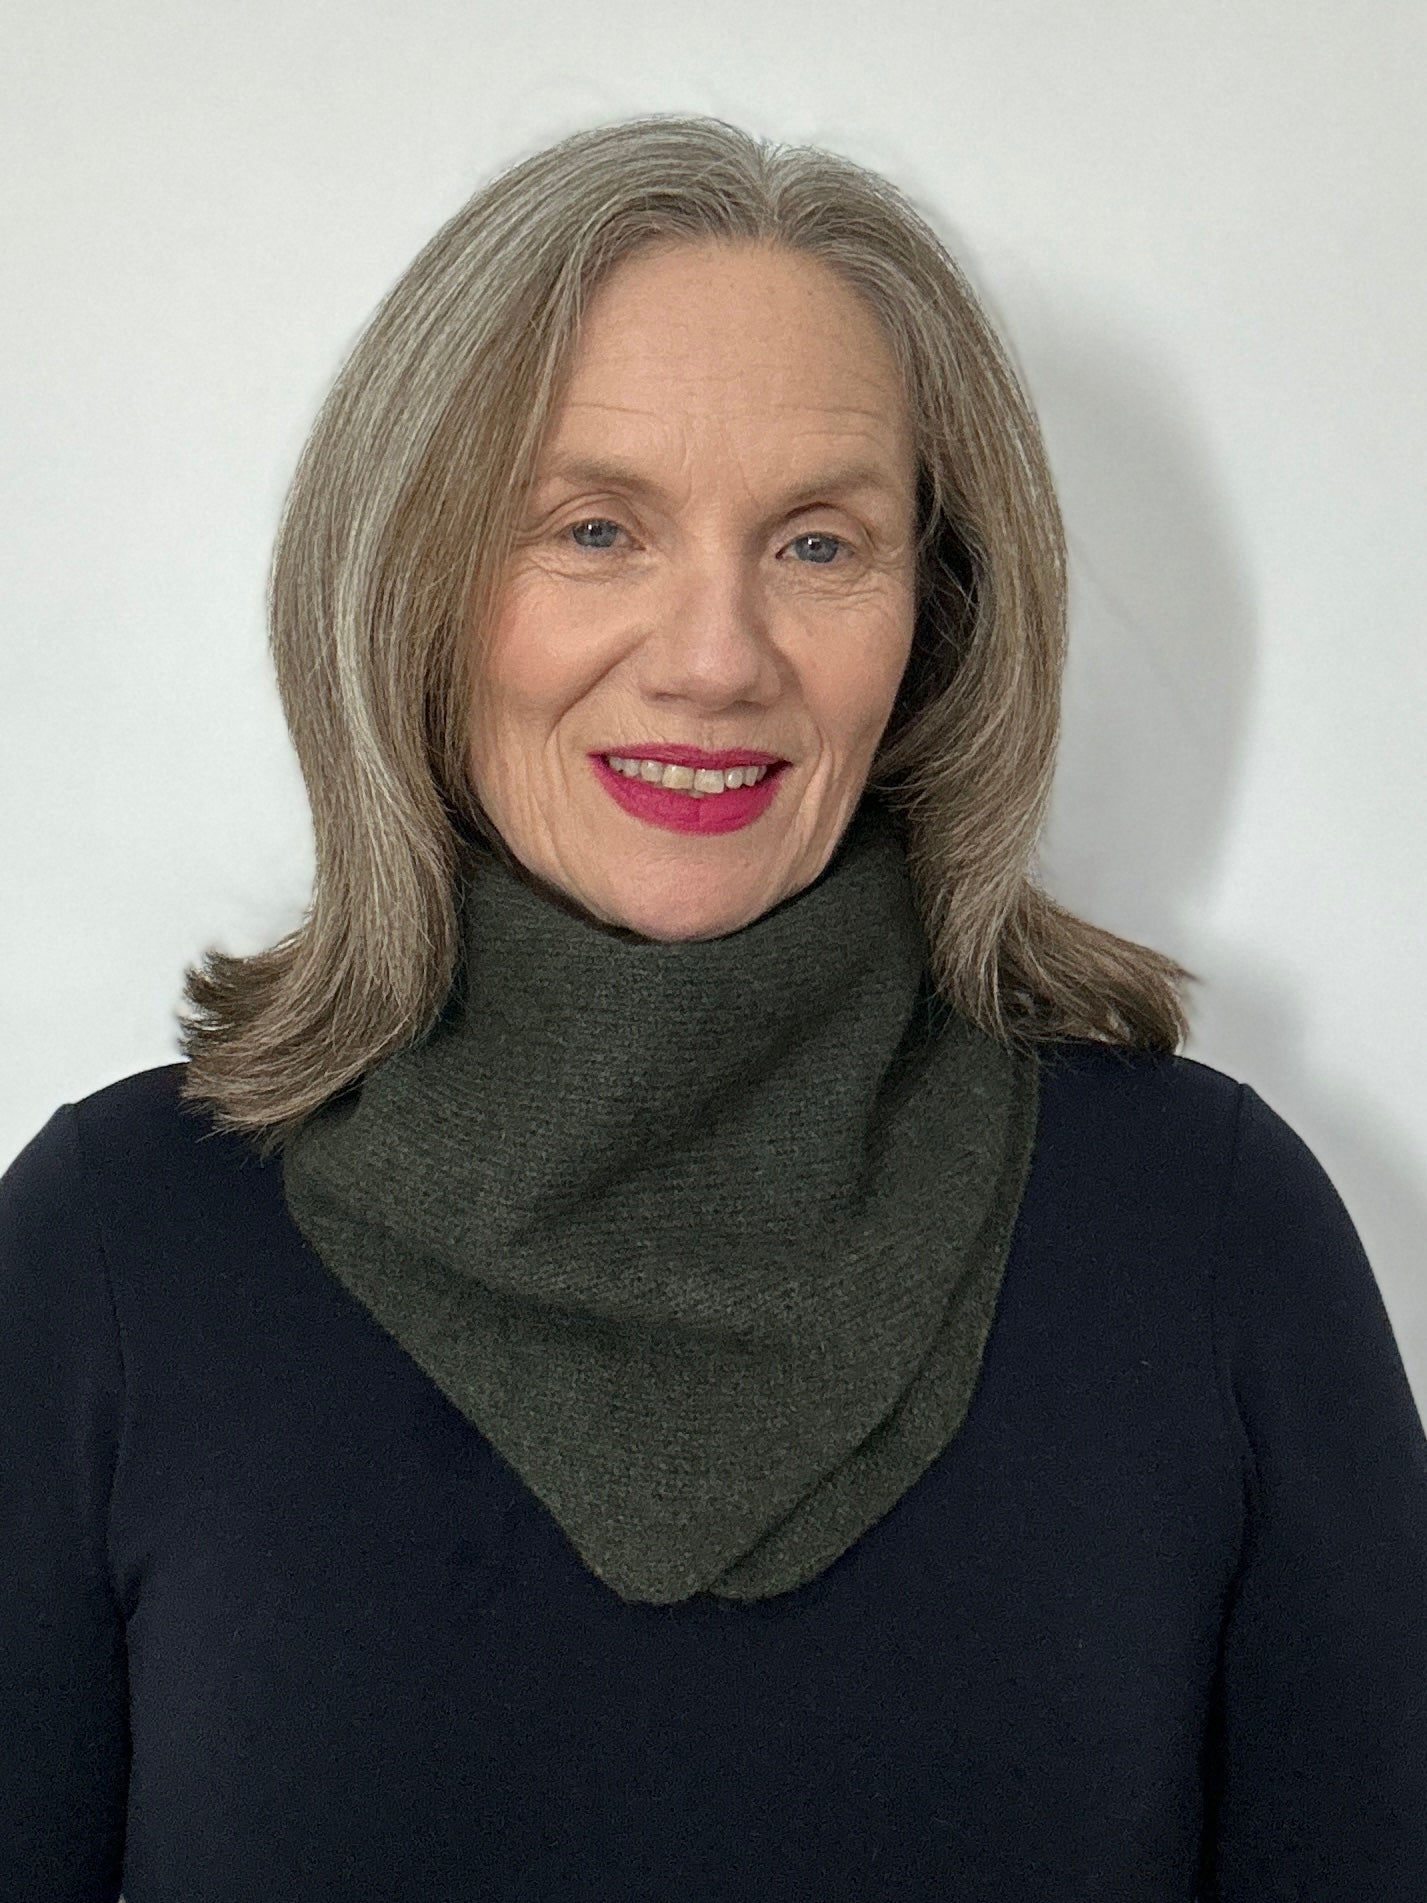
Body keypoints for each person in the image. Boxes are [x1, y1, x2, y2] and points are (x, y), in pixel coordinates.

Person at [2, 112, 1424, 1903]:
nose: (715, 656)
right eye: (596, 529)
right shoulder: (117, 1251)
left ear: (938, 617)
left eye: (819, 546)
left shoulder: (1205, 1235)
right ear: (412, 583)